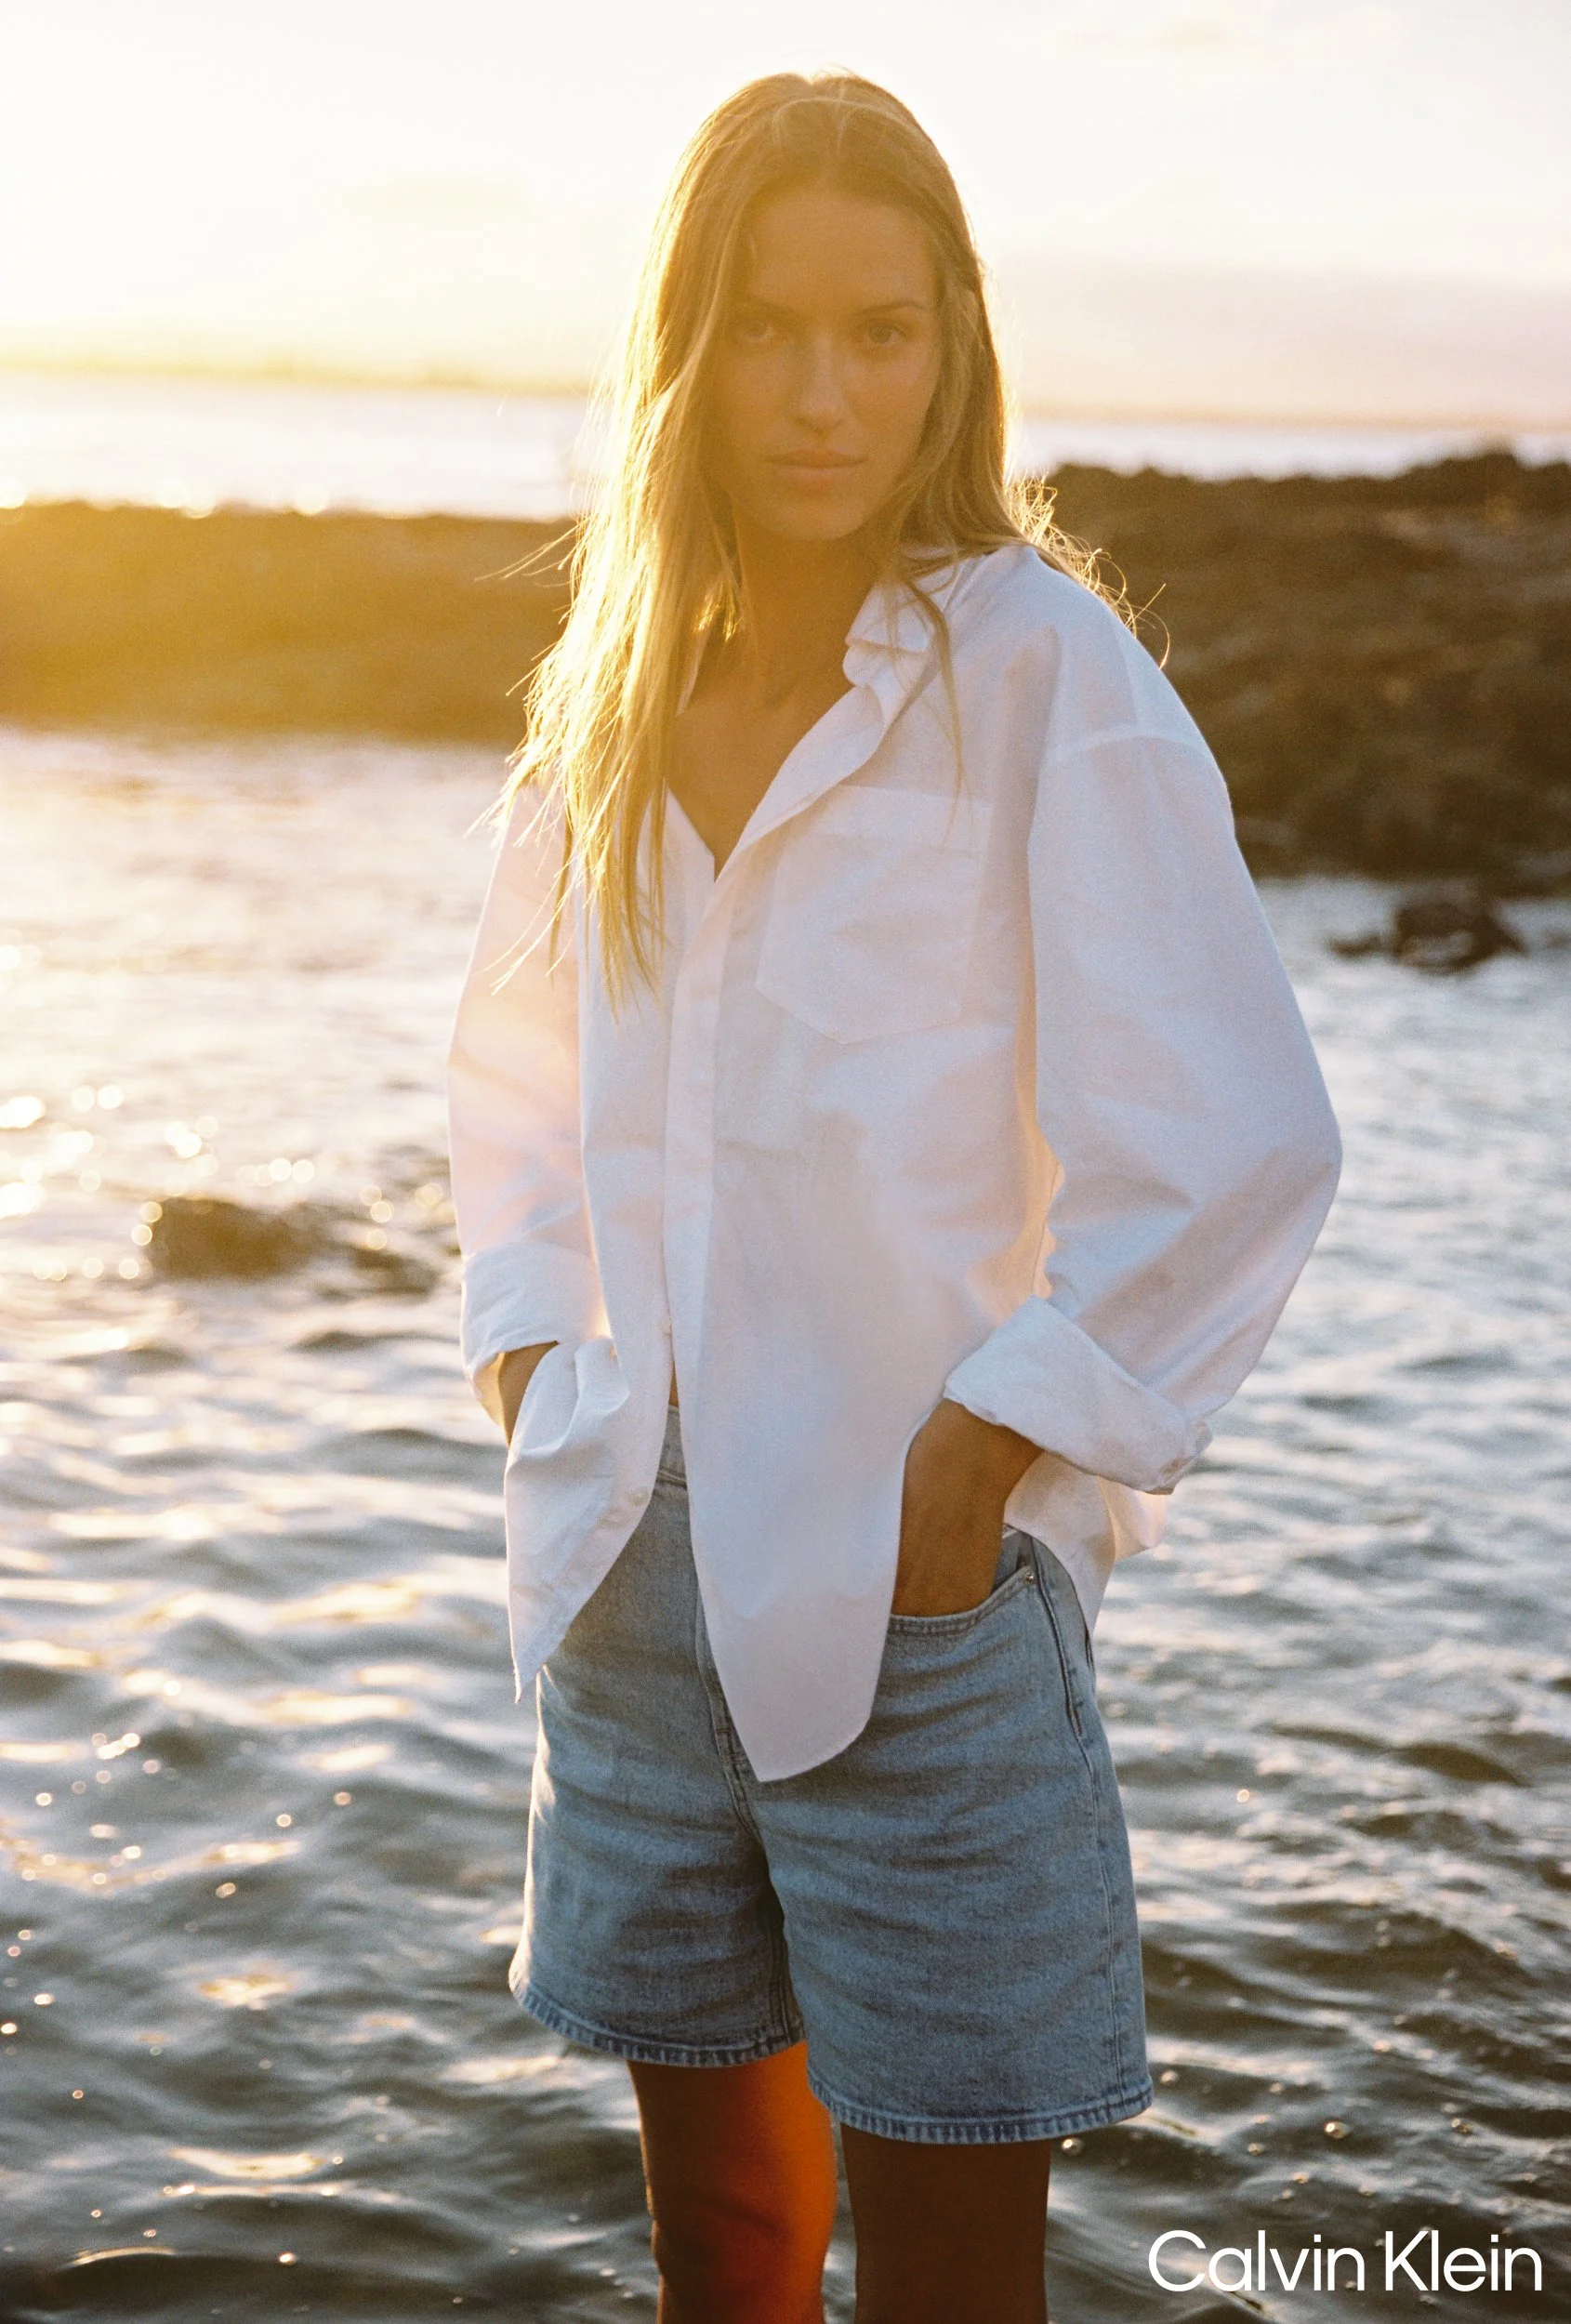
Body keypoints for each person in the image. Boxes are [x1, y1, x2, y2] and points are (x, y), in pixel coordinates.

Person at [447, 71, 1340, 2324]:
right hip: (634, 1577)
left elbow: (1236, 1125)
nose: (821, 393)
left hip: (917, 1605)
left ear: (952, 343)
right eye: (763, 329)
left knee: (951, 2278)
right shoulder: (621, 693)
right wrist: (540, 1349)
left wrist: (993, 1435)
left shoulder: (1037, 672)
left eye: (877, 330)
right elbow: (517, 1075)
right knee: (724, 2246)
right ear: (684, 352)